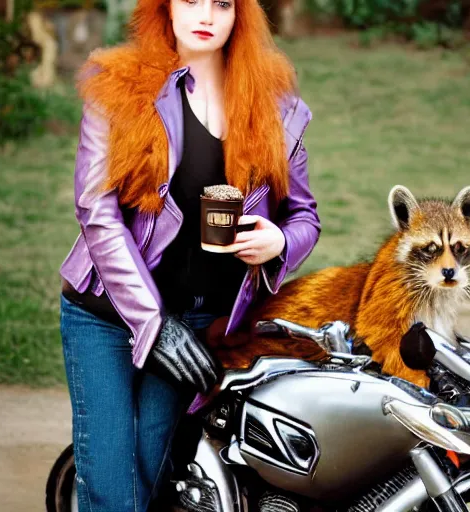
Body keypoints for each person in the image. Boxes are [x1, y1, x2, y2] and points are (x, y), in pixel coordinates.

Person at [58, 0, 321, 509]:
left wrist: (279, 243)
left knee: (153, 485)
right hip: (105, 315)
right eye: (191, 0)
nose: (206, 14)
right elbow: (96, 212)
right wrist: (153, 324)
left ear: (241, 13)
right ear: (165, 6)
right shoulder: (119, 87)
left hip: (198, 323)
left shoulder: (274, 102)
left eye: (222, 3)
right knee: (113, 495)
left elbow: (305, 218)